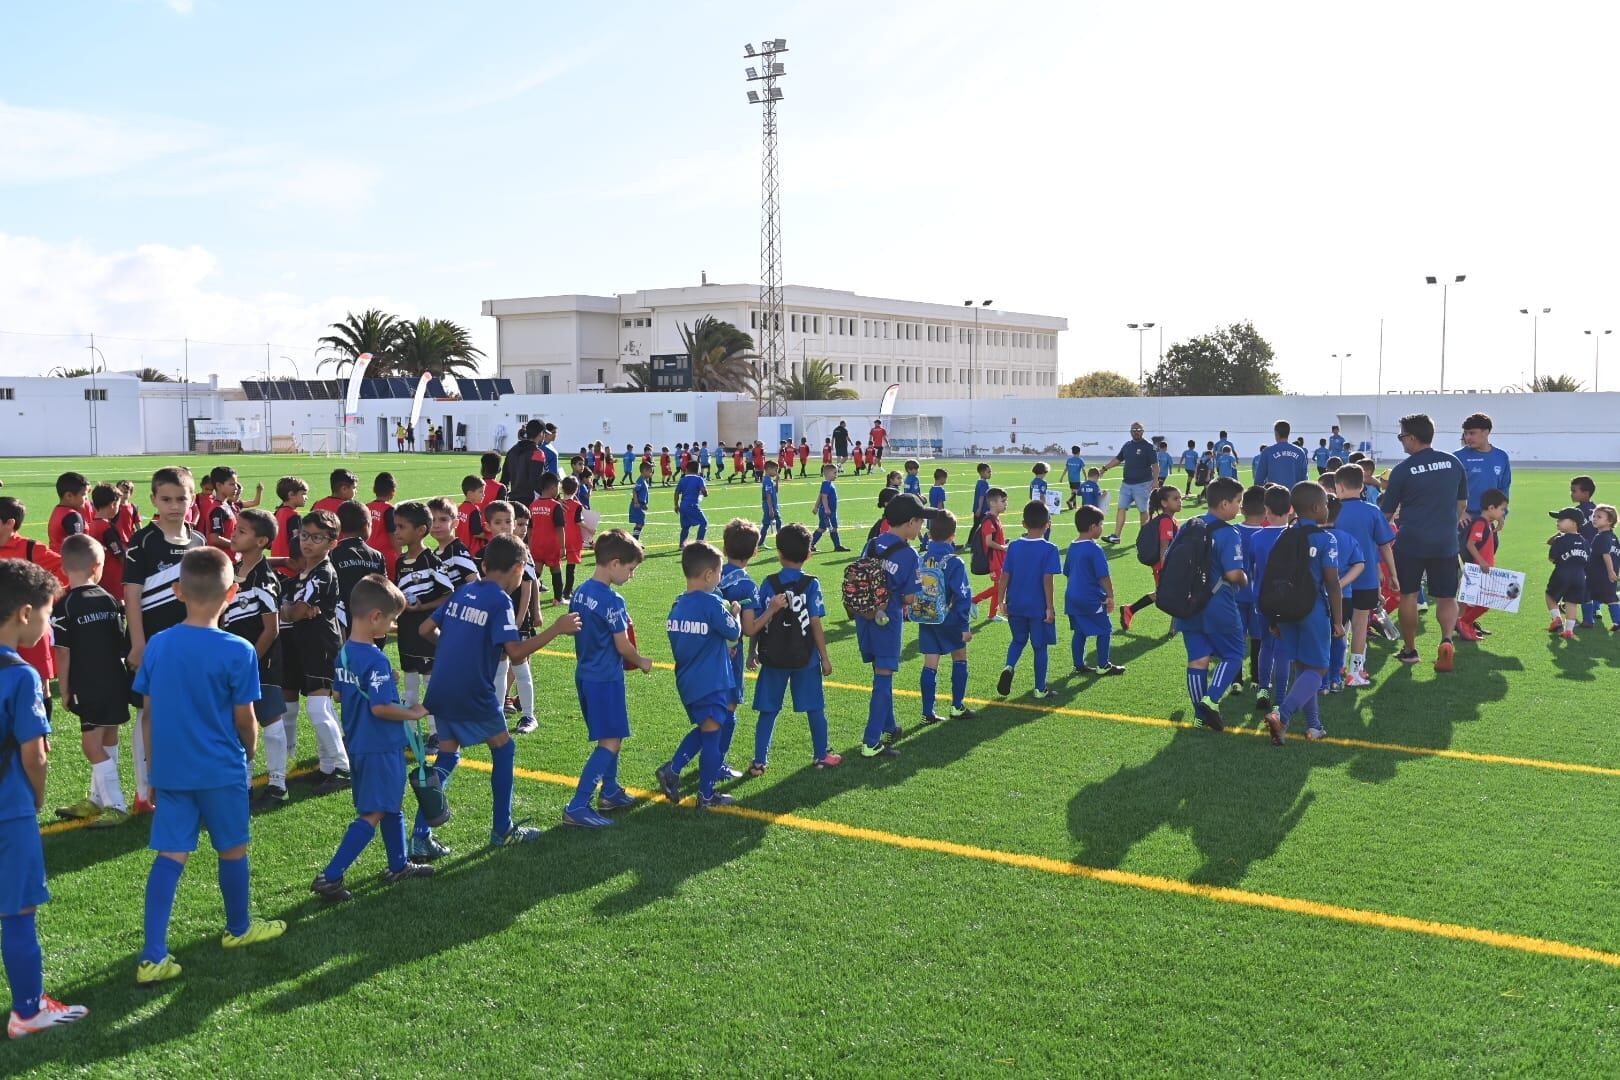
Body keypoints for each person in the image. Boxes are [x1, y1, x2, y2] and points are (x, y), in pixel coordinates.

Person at [134, 547, 285, 986]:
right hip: (221, 768)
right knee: (232, 848)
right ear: (233, 594)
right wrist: (250, 752)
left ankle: (153, 955)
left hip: (172, 769)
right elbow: (245, 718)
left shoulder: (159, 645)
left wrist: (152, 772)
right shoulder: (239, 650)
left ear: (178, 591)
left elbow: (148, 714)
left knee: (170, 855)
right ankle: (238, 928)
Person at [413, 535, 581, 854]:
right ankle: (502, 828)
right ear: (518, 568)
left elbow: (425, 630)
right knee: (503, 749)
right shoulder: (500, 600)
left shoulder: (464, 591)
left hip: (441, 687)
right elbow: (515, 652)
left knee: (448, 755)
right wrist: (556, 629)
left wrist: (454, 650)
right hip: (472, 690)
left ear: (485, 565)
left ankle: (420, 835)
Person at [0, 559, 91, 1037]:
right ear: (22, 613)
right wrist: (35, 798)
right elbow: (35, 755)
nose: (48, 625)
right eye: (46, 614)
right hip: (8, 809)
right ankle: (29, 1010)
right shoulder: (21, 675)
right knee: (16, 910)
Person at [311, 575, 435, 902]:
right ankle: (331, 875)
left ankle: (398, 864)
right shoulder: (376, 658)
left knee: (390, 805)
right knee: (374, 812)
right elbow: (380, 708)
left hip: (360, 742)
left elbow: (339, 694)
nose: (392, 626)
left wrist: (387, 680)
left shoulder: (346, 653)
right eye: (392, 620)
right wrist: (414, 712)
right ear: (376, 617)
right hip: (380, 744)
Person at [124, 467, 206, 812]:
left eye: (181, 498)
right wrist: (138, 643)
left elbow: (205, 595)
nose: (174, 506)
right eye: (166, 499)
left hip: (190, 644)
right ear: (154, 500)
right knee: (150, 713)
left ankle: (184, 781)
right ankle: (145, 791)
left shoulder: (199, 542)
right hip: (154, 644)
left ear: (192, 500)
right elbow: (131, 597)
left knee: (190, 711)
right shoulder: (142, 541)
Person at [564, 531, 652, 827]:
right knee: (610, 742)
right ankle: (578, 805)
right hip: (605, 678)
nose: (631, 576)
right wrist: (642, 662)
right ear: (614, 563)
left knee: (612, 736)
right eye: (630, 569)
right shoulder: (612, 600)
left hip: (586, 673)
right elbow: (623, 645)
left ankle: (610, 791)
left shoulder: (579, 591)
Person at [49, 534, 131, 828]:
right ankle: (97, 799)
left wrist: (67, 689)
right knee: (108, 738)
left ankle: (116, 805)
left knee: (90, 745)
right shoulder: (109, 599)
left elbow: (63, 653)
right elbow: (121, 641)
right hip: (115, 680)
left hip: (89, 684)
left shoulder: (65, 606)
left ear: (63, 567)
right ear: (97, 566)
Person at [654, 543, 741, 808]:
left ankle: (673, 768)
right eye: (719, 572)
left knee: (706, 729)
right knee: (712, 737)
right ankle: (706, 795)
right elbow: (733, 633)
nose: (720, 578)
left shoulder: (678, 603)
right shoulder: (712, 603)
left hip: (687, 680)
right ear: (708, 575)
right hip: (711, 680)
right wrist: (734, 614)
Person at [1381, 413, 1468, 670]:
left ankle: (1410, 650)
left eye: (1401, 437)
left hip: (1412, 541)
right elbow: (1461, 503)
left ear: (1411, 437)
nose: (1401, 442)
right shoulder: (1453, 463)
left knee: (1408, 595)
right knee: (1446, 596)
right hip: (1445, 540)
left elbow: (1386, 513)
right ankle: (1446, 640)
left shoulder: (1403, 470)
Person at [748, 524, 840, 768]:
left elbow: (759, 619)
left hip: (773, 655)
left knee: (769, 710)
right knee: (815, 707)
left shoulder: (769, 583)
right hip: (805, 656)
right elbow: (815, 623)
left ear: (778, 553)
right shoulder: (811, 584)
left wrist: (751, 651)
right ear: (809, 553)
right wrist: (824, 657)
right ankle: (821, 754)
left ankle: (759, 761)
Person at [1260, 483, 1343, 743]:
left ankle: (1314, 726)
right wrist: (1338, 622)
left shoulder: (1284, 535)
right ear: (1317, 508)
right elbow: (1332, 583)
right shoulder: (1326, 539)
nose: (1328, 508)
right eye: (1326, 505)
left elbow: (1273, 576)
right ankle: (1282, 716)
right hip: (1313, 609)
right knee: (1317, 669)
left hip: (1285, 611)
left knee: (1303, 668)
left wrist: (1274, 617)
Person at [854, 495, 935, 758]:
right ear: (911, 522)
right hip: (887, 621)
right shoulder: (910, 554)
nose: (921, 528)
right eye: (920, 522)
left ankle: (889, 725)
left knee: (880, 672)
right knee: (884, 675)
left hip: (865, 616)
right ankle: (871, 741)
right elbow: (910, 598)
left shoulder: (873, 543)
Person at [280, 508, 350, 794]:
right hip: (304, 642)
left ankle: (343, 767)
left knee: (319, 707)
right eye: (305, 536)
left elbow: (295, 612)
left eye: (317, 538)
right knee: (321, 708)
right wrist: (294, 611)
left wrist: (287, 611)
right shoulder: (304, 573)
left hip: (321, 643)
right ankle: (326, 766)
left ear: (332, 543)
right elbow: (297, 611)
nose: (308, 542)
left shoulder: (322, 573)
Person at [1172, 476, 1248, 731]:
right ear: (1225, 503)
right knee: (1234, 654)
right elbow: (1233, 574)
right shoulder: (1229, 533)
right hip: (1219, 604)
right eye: (1237, 502)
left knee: (1198, 659)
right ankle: (1211, 699)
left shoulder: (1188, 525)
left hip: (1188, 604)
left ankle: (1199, 716)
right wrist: (1245, 579)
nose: (1239, 507)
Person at [1333, 464, 1399, 685]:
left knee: (1337, 624)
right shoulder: (1372, 511)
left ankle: (1335, 668)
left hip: (1337, 580)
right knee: (1361, 624)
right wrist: (1393, 574)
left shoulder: (1331, 511)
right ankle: (1355, 672)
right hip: (1366, 579)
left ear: (1338, 487)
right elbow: (1385, 545)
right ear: (1362, 486)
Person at [995, 500, 1060, 699]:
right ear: (1048, 523)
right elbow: (1047, 579)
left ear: (1023, 523)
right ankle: (1040, 689)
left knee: (1018, 640)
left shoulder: (1014, 546)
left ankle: (1009, 666)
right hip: (1037, 607)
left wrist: (1001, 600)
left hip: (1016, 604)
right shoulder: (1050, 549)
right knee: (1040, 647)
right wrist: (1050, 607)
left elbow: (1005, 575)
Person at [916, 511, 974, 723]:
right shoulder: (954, 562)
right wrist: (964, 626)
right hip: (949, 620)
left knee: (930, 663)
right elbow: (962, 596)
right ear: (953, 535)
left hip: (926, 615)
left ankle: (927, 712)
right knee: (959, 658)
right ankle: (957, 706)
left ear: (929, 533)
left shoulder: (922, 558)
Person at [1064, 506, 1125, 676]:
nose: (1102, 527)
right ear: (1093, 527)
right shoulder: (1094, 549)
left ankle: (1078, 665)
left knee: (1080, 631)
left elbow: (1067, 571)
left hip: (1071, 597)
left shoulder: (1072, 546)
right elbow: (1103, 577)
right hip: (1090, 598)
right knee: (1105, 629)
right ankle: (1103, 665)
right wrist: (1110, 596)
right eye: (1101, 524)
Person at [1120, 485, 1181, 632]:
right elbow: (1164, 547)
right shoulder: (1166, 521)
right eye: (1175, 499)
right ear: (1164, 503)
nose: (1180, 501)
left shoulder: (1170, 520)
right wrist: (1166, 569)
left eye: (1180, 498)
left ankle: (1130, 610)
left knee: (1168, 594)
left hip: (1164, 565)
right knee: (1171, 596)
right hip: (1163, 565)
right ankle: (1175, 627)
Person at [1323, 496, 1366, 694]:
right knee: (1339, 635)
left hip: (1318, 596)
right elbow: (1360, 564)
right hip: (1344, 596)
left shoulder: (1312, 536)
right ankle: (1334, 679)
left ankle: (1321, 681)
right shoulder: (1347, 538)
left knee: (1320, 637)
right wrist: (1341, 583)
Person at [1457, 488, 1507, 642]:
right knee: (1484, 603)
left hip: (1483, 570)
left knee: (1475, 603)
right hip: (1477, 570)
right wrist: (1482, 562)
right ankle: (1463, 622)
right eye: (1502, 509)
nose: (1503, 513)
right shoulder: (1480, 523)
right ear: (1491, 508)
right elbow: (1471, 544)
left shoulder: (1488, 524)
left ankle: (1466, 625)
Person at [1097, 421, 1159, 545]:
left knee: (1143, 511)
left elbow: (1155, 465)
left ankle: (1143, 537)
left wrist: (1155, 481)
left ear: (1143, 431)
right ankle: (1116, 536)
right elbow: (1118, 459)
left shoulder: (1148, 446)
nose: (1136, 432)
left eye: (1139, 430)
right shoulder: (1127, 446)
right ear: (1130, 432)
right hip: (1126, 484)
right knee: (1121, 508)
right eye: (1134, 430)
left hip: (1142, 484)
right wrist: (1104, 468)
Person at [332, 501, 388, 634]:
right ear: (366, 525)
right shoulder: (377, 556)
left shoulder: (333, 554)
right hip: (372, 623)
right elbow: (385, 591)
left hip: (343, 624)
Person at [1456, 413, 1512, 515]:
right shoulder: (1457, 457)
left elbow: (1504, 489)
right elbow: (1447, 490)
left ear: (1486, 432)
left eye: (1472, 433)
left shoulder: (1501, 457)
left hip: (1489, 519)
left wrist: (1501, 514)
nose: (1468, 437)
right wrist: (1460, 512)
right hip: (1463, 520)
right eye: (1466, 433)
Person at [1546, 508, 1590, 639]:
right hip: (1580, 576)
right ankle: (1569, 630)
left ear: (1574, 522)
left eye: (1561, 520)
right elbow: (1587, 560)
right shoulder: (1585, 542)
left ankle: (1557, 619)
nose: (1558, 522)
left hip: (1562, 573)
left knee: (1550, 596)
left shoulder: (1560, 540)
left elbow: (1551, 558)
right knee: (1572, 602)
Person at [971, 488, 1010, 622]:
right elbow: (988, 542)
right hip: (994, 561)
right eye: (1003, 501)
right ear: (993, 503)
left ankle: (992, 614)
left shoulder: (996, 519)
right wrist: (1003, 547)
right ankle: (974, 600)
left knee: (998, 587)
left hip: (1000, 559)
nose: (1006, 504)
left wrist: (1003, 544)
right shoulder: (989, 521)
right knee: (1000, 586)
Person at [1584, 504, 1620, 632]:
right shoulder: (1614, 537)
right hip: (1610, 576)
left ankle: (1588, 621)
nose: (1594, 518)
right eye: (1594, 516)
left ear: (1609, 521)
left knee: (1586, 594)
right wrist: (1614, 572)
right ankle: (1618, 621)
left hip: (1599, 574)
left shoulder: (1601, 537)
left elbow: (1606, 555)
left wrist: (1610, 571)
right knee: (1611, 598)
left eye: (1599, 517)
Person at [1253, 421, 1309, 488]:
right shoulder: (1300, 452)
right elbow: (1304, 478)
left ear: (1276, 433)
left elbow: (1259, 479)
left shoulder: (1267, 452)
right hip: (1293, 495)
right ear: (1288, 433)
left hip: (1274, 494)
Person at [501, 420, 543, 505]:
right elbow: (536, 482)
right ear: (541, 433)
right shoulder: (537, 453)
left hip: (512, 501)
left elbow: (504, 480)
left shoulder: (511, 451)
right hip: (530, 502)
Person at [367, 473, 399, 580]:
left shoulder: (366, 507)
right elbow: (393, 535)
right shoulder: (389, 510)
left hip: (368, 557)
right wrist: (400, 555)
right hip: (386, 558)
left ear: (374, 489)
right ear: (393, 491)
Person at [811, 463, 849, 552]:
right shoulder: (826, 484)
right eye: (834, 473)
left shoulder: (828, 484)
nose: (836, 475)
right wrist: (826, 508)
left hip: (831, 511)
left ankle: (837, 546)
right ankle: (810, 545)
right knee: (823, 528)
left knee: (833, 528)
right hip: (827, 512)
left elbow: (820, 496)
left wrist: (816, 507)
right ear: (828, 474)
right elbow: (823, 496)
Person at [47, 472, 88, 552]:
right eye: (83, 494)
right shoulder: (73, 516)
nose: (86, 498)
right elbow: (78, 547)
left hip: (56, 559)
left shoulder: (57, 510)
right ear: (69, 496)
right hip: (70, 562)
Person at [760, 460, 782, 541]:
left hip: (773, 505)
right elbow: (768, 495)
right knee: (766, 523)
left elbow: (775, 491)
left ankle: (780, 539)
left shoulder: (770, 480)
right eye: (775, 470)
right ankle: (760, 541)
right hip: (768, 505)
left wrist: (776, 481)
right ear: (768, 469)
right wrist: (770, 509)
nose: (776, 472)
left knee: (779, 521)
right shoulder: (767, 481)